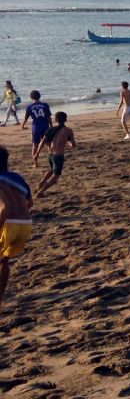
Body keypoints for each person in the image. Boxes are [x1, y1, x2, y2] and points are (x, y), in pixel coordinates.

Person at [0, 146, 33, 311]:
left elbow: (4, 206)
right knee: (3, 261)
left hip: (9, 224)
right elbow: (30, 203)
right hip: (25, 225)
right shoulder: (17, 178)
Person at [37, 112, 76, 196]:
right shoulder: (68, 130)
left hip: (50, 154)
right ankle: (40, 192)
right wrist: (68, 145)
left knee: (51, 169)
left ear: (56, 120)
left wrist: (37, 153)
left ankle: (41, 183)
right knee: (55, 176)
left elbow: (42, 142)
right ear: (65, 119)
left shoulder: (51, 129)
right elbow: (73, 145)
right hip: (58, 155)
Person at [21, 90, 52, 166]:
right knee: (48, 144)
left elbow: (26, 118)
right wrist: (51, 126)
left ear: (31, 97)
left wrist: (22, 125)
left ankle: (36, 163)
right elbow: (48, 117)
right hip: (45, 126)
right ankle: (51, 161)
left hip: (36, 127)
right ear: (39, 96)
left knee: (35, 145)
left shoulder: (29, 107)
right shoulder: (45, 105)